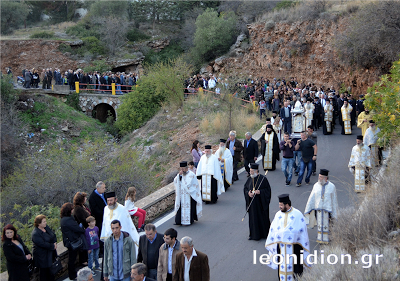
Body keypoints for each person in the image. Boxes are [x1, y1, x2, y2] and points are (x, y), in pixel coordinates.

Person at [265, 194, 310, 281]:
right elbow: (273, 230)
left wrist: (289, 234)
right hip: (281, 248)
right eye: (279, 205)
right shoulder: (278, 215)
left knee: (296, 270)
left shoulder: (297, 214)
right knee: (281, 268)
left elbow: (301, 230)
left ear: (287, 204)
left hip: (295, 247)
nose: (280, 207)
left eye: (281, 205)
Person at [304, 169, 338, 244]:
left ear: (326, 178)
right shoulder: (316, 185)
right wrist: (309, 208)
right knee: (319, 224)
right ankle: (320, 238)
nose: (319, 178)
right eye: (319, 176)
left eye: (321, 177)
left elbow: (334, 200)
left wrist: (334, 212)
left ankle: (328, 238)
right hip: (318, 209)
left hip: (327, 210)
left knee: (329, 224)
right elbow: (312, 198)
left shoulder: (332, 186)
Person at [243, 163, 271, 241]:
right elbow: (245, 188)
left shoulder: (263, 179)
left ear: (256, 171)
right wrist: (248, 193)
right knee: (253, 219)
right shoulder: (249, 179)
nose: (250, 172)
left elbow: (268, 191)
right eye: (250, 171)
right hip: (252, 204)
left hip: (261, 204)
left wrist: (260, 192)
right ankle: (254, 235)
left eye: (251, 171)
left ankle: (264, 234)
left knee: (262, 218)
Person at [60, 202, 86, 281]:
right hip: (72, 241)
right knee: (72, 259)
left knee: (72, 258)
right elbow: (76, 228)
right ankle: (72, 275)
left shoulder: (64, 218)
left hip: (70, 240)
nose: (73, 210)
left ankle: (73, 273)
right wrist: (82, 230)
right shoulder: (67, 220)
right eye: (72, 209)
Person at [174, 161, 202, 225]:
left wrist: (182, 181)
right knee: (180, 209)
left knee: (190, 208)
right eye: (181, 169)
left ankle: (190, 220)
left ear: (186, 168)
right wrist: (179, 176)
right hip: (182, 196)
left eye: (183, 169)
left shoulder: (191, 175)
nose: (182, 170)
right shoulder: (180, 175)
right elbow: (175, 181)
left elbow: (191, 185)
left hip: (189, 195)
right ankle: (179, 221)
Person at [31, 215, 57, 281]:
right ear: (39, 223)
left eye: (45, 221)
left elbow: (53, 235)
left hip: (50, 254)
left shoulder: (46, 227)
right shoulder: (35, 233)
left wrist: (55, 242)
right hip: (42, 257)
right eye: (44, 222)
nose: (45, 223)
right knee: (44, 274)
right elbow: (42, 244)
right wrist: (52, 246)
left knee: (51, 273)